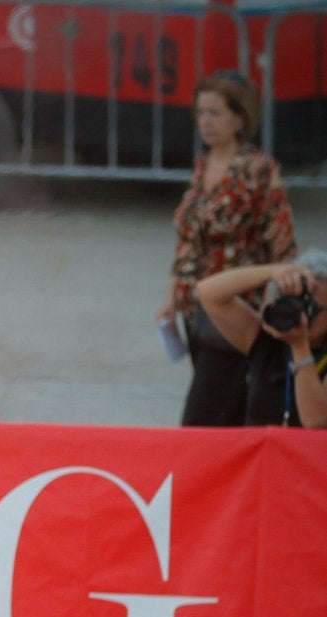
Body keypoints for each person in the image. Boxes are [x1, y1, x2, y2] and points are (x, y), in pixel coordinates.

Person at [193, 253, 327, 617]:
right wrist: (276, 271)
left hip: (316, 516)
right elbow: (209, 293)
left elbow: (317, 421)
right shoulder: (263, 340)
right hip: (262, 511)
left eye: (309, 298)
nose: (294, 307)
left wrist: (301, 351)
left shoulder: (299, 349)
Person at [160, 71, 295, 428]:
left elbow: (280, 240)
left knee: (203, 417)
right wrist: (170, 297)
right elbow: (187, 239)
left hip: (235, 306)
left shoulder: (258, 168)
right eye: (201, 112)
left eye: (215, 113)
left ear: (240, 117)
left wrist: (274, 300)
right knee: (226, 409)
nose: (205, 122)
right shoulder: (204, 164)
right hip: (194, 307)